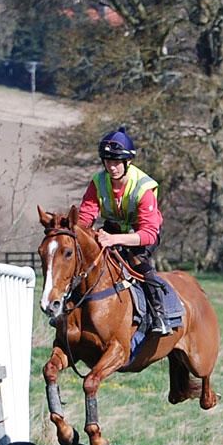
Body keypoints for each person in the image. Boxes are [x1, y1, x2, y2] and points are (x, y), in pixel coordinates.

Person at [78, 126, 172, 335]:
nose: (112, 168)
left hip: (143, 232)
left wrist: (113, 239)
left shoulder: (144, 187)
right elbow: (86, 216)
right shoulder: (98, 182)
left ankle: (159, 315)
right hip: (114, 227)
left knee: (136, 259)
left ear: (128, 162)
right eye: (108, 162)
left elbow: (149, 234)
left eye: (117, 162)